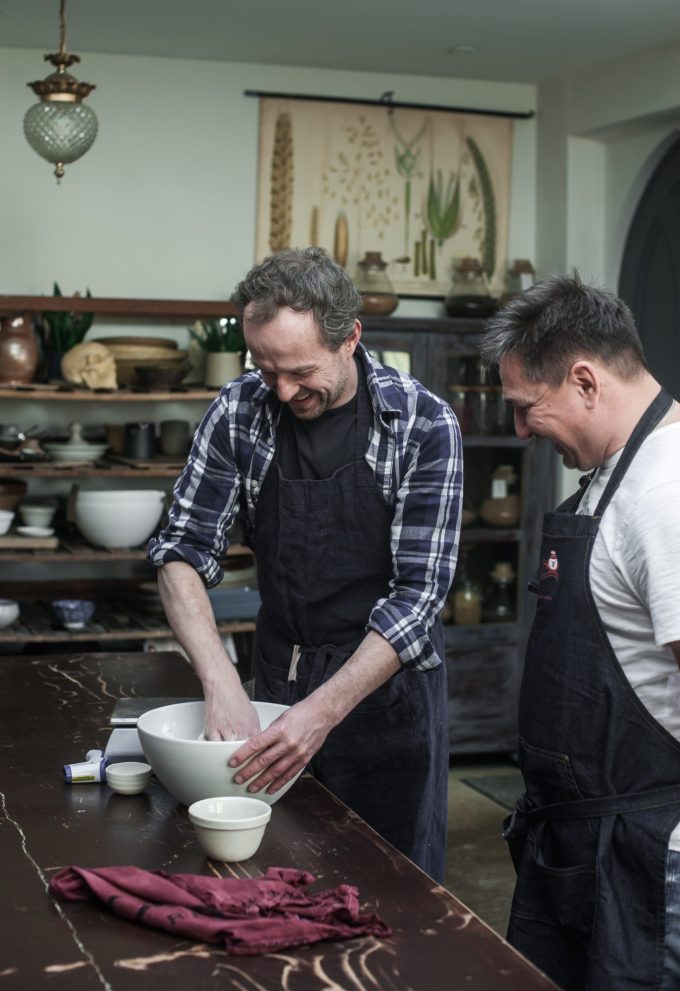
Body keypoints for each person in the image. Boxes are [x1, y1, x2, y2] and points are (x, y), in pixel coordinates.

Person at [148, 247, 462, 881]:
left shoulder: (424, 425)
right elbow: (180, 550)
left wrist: (318, 714)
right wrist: (222, 682)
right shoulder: (240, 409)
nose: (284, 390)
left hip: (387, 701)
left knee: (393, 895)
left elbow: (417, 601)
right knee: (271, 881)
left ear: (351, 338)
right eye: (266, 369)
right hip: (274, 685)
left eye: (300, 371)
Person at [479, 272, 680, 990]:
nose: (522, 431)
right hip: (581, 843)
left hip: (646, 860)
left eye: (528, 408)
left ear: (587, 382)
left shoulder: (665, 492)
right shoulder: (610, 475)